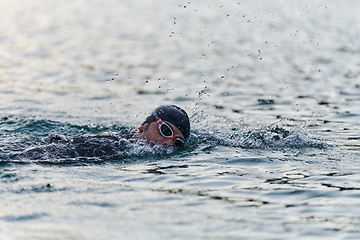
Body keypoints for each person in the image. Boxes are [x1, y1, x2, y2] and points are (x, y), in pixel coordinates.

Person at [1, 105, 191, 161]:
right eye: (165, 131)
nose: (168, 143)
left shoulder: (126, 145)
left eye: (177, 143)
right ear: (142, 127)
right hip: (37, 151)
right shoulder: (120, 147)